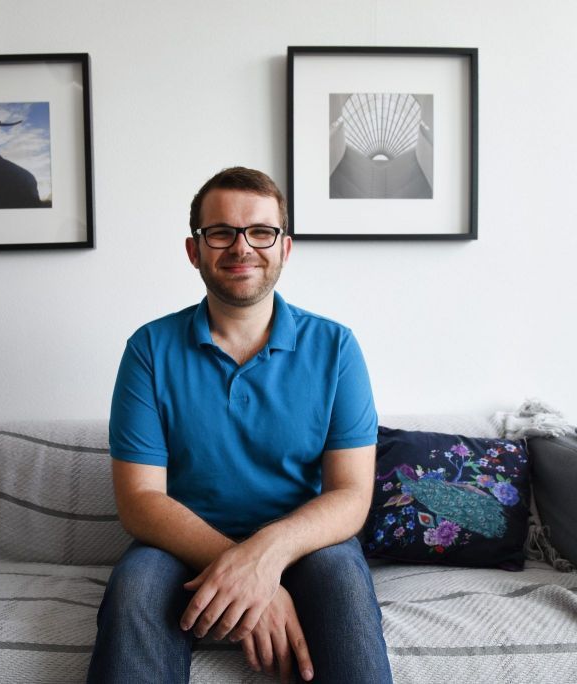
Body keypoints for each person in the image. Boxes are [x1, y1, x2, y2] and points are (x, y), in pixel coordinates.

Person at [87, 167, 391, 683]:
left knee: (342, 578)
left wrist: (265, 559)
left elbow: (351, 495)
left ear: (285, 248)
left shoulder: (337, 348)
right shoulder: (149, 349)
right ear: (194, 250)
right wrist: (247, 572)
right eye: (221, 232)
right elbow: (139, 501)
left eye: (260, 232)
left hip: (305, 546)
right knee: (136, 585)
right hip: (180, 547)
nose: (242, 247)